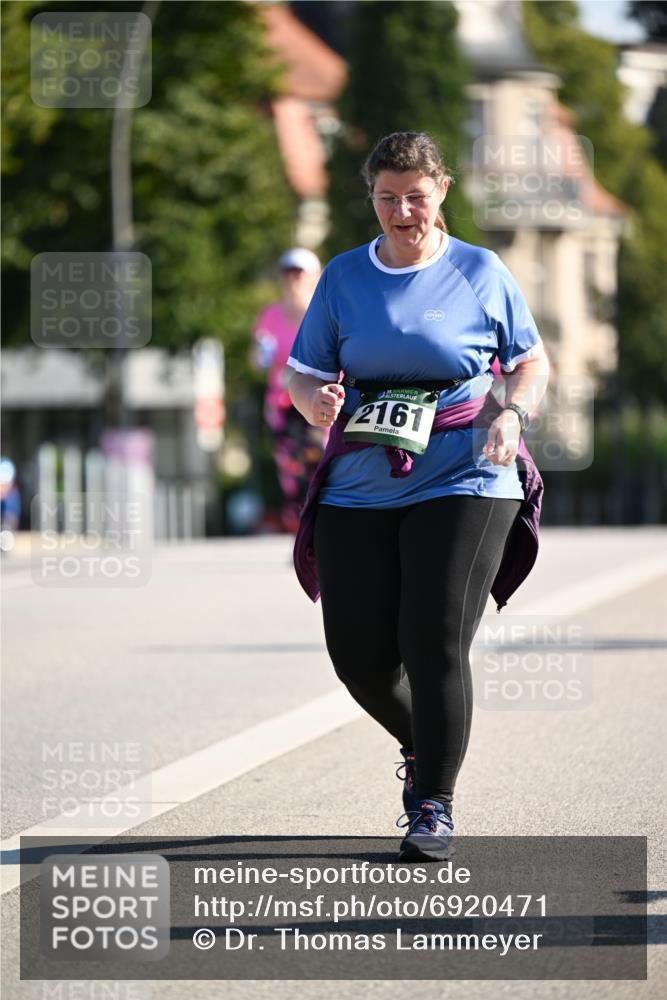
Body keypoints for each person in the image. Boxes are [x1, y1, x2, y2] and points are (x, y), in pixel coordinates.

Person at [286, 132, 550, 861]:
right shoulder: (342, 277)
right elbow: (300, 372)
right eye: (388, 198)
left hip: (467, 470)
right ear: (370, 197)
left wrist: (511, 412)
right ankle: (428, 740)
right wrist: (312, 400)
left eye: (417, 197)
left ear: (442, 193)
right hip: (360, 480)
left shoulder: (478, 270)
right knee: (359, 657)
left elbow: (529, 362)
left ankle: (432, 800)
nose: (403, 212)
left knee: (430, 640)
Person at [251, 248, 328, 534]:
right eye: (288, 272)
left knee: (320, 461)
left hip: (317, 399)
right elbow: (258, 361)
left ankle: (325, 531)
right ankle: (302, 535)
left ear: (315, 276)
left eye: (300, 271)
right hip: (282, 404)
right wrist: (261, 353)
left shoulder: (323, 312)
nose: (293, 278)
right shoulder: (270, 315)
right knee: (291, 470)